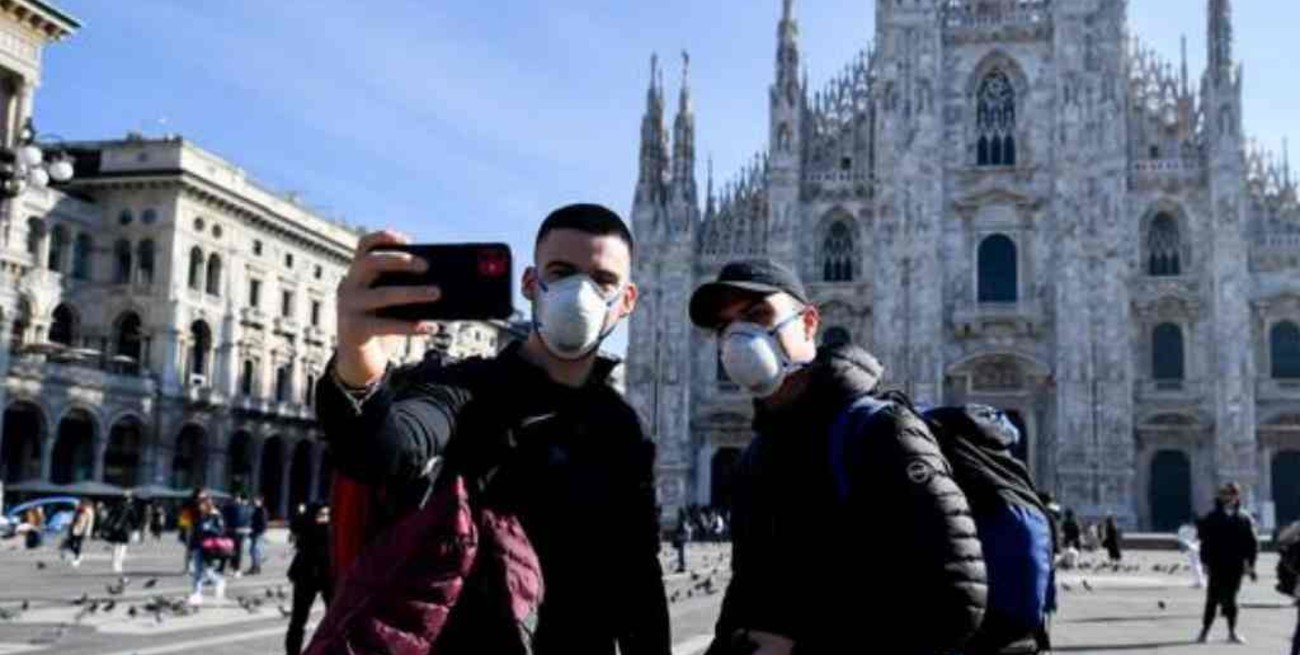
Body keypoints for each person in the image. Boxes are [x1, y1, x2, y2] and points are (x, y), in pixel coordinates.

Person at [315, 204, 670, 653]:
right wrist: (358, 364)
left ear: (628, 300)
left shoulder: (622, 428)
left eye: (603, 281)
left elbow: (639, 579)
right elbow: (383, 451)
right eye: (561, 272)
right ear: (530, 284)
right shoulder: (464, 389)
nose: (580, 294)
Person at [689, 258, 987, 655]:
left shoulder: (882, 432)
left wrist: (804, 649)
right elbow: (748, 594)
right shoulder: (757, 456)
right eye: (725, 328)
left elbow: (956, 601)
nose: (740, 337)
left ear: (809, 323)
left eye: (758, 315)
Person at [1196, 482, 1258, 645]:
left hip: (1235, 565)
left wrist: (1251, 564)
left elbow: (1252, 543)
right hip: (1216, 563)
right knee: (1212, 598)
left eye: (1230, 494)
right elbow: (1205, 541)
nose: (1227, 497)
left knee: (1231, 599)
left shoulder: (1244, 518)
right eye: (1224, 494)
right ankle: (1204, 631)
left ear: (1236, 496)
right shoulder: (1212, 517)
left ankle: (1232, 632)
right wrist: (1204, 562)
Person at [285, 502, 333, 655]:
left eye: (328, 515)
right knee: (298, 621)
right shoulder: (307, 527)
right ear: (311, 516)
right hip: (305, 576)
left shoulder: (331, 529)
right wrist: (303, 514)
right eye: (321, 515)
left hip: (327, 577)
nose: (325, 518)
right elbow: (295, 524)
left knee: (334, 617)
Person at [187, 492, 228, 605]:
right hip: (197, 546)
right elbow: (194, 532)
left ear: (207, 502)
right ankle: (197, 594)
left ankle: (219, 581)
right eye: (198, 502)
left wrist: (210, 528)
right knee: (198, 572)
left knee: (208, 571)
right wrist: (190, 548)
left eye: (201, 502)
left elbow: (221, 532)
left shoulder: (215, 515)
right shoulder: (198, 515)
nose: (199, 504)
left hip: (209, 547)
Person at [104, 492, 138, 573]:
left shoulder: (116, 506)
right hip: (125, 529)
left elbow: (110, 516)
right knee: (123, 546)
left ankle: (115, 564)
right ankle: (119, 563)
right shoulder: (130, 507)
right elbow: (134, 519)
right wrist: (135, 529)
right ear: (129, 499)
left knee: (116, 546)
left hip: (115, 528)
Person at [223, 494, 253, 577]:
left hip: (232, 531)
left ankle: (233, 568)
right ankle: (236, 569)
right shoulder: (248, 508)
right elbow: (249, 519)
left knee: (232, 550)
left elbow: (225, 517)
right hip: (243, 531)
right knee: (238, 550)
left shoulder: (229, 507)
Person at [63, 499, 94, 567]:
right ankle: (78, 555)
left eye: (82, 504)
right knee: (70, 544)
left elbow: (90, 523)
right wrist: (69, 526)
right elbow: (73, 519)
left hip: (82, 530)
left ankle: (77, 559)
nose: (80, 505)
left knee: (78, 544)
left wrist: (87, 532)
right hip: (74, 529)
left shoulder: (89, 511)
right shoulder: (77, 509)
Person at [1178, 522, 1206, 588]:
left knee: (1196, 565)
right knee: (1193, 565)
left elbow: (1197, 538)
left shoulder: (1189, 529)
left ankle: (1201, 582)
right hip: (1193, 546)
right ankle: (1197, 582)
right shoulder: (1185, 529)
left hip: (1194, 547)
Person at [247, 495, 268, 576]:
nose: (254, 502)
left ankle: (255, 567)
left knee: (254, 550)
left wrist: (260, 532)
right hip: (255, 532)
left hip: (258, 532)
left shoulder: (262, 510)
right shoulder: (256, 509)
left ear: (260, 501)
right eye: (254, 500)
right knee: (254, 550)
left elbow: (263, 523)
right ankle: (256, 567)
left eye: (256, 500)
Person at [672, 510, 694, 575]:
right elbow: (688, 531)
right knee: (681, 553)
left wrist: (679, 537)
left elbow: (686, 531)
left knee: (682, 553)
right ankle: (681, 566)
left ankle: (682, 567)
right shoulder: (683, 522)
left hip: (682, 540)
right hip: (682, 539)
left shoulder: (683, 522)